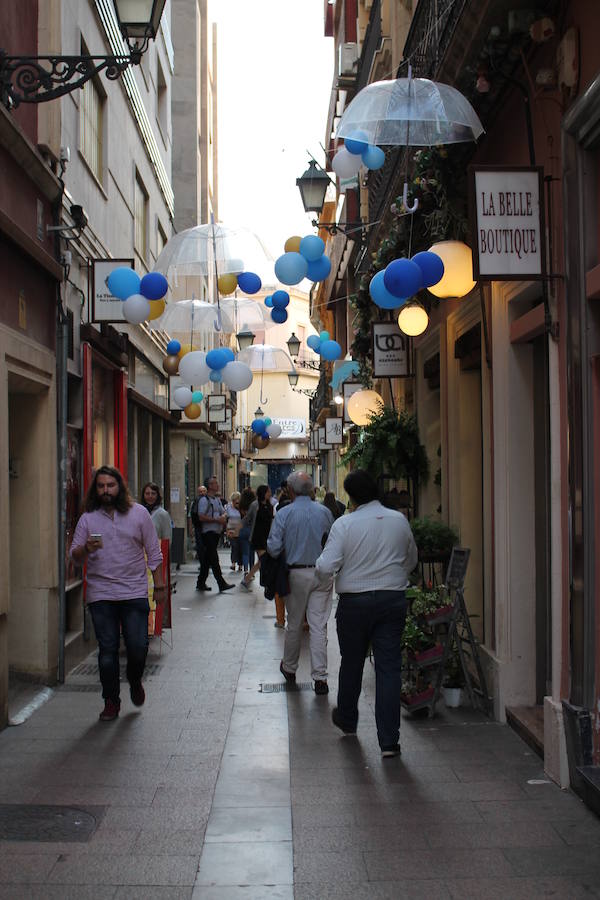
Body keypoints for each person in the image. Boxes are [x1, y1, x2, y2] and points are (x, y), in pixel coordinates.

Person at [315, 468, 418, 758]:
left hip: (355, 603)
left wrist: (326, 581)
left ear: (351, 495)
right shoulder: (399, 520)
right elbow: (411, 559)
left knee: (352, 662)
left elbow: (325, 566)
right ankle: (389, 741)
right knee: (388, 667)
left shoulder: (345, 524)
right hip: (392, 600)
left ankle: (347, 718)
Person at [70, 466, 164, 722]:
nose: (105, 490)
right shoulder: (88, 519)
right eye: (100, 486)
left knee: (137, 647)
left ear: (119, 487)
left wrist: (160, 588)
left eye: (110, 485)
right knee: (108, 650)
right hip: (101, 594)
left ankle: (134, 681)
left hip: (134, 592)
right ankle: (111, 700)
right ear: (95, 489)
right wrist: (85, 549)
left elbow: (154, 553)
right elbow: (75, 558)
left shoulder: (139, 514)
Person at [267, 471, 334, 694]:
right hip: (322, 572)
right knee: (318, 625)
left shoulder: (284, 514)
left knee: (294, 623)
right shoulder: (325, 512)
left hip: (295, 574)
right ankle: (320, 677)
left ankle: (290, 667)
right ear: (312, 490)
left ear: (291, 491)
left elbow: (273, 548)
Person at [195, 476, 234, 593]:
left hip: (216, 533)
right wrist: (217, 520)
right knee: (214, 558)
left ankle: (200, 582)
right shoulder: (204, 500)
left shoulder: (216, 500)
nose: (217, 485)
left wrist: (224, 517)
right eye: (215, 484)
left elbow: (224, 512)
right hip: (208, 533)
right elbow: (201, 516)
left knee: (207, 560)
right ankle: (221, 583)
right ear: (210, 486)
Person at [241, 484, 273, 590]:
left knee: (262, 561)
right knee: (263, 560)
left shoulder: (270, 505)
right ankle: (264, 582)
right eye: (268, 491)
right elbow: (247, 518)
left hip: (267, 537)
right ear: (263, 493)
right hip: (258, 537)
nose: (270, 493)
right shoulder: (255, 505)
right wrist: (238, 529)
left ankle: (248, 578)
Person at [238, 487, 256, 576]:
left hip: (243, 529)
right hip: (252, 530)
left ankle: (245, 570)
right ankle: (252, 571)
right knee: (251, 552)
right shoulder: (254, 505)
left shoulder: (241, 505)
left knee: (245, 552)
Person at [190, 484, 208, 567]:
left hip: (207, 527)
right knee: (201, 546)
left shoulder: (209, 501)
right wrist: (191, 528)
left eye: (204, 491)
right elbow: (191, 516)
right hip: (199, 527)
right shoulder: (195, 502)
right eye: (200, 491)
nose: (202, 493)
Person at [225, 491, 243, 572]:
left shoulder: (241, 508)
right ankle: (233, 563)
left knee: (240, 547)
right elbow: (226, 519)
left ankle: (240, 564)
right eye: (235, 499)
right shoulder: (228, 507)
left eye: (238, 499)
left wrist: (239, 508)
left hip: (240, 530)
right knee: (234, 546)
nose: (236, 501)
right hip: (231, 530)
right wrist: (226, 531)